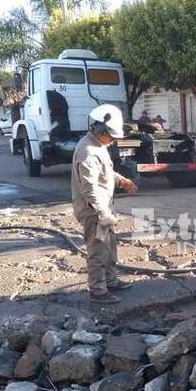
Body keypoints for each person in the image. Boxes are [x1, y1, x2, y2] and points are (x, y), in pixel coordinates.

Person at [71, 104, 138, 304]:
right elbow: (89, 188)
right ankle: (98, 290)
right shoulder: (87, 152)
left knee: (110, 246)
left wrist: (121, 180)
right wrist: (102, 212)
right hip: (94, 210)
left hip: (102, 208)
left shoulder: (99, 146)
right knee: (98, 249)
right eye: (111, 136)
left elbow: (105, 173)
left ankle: (110, 280)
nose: (113, 141)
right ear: (100, 130)